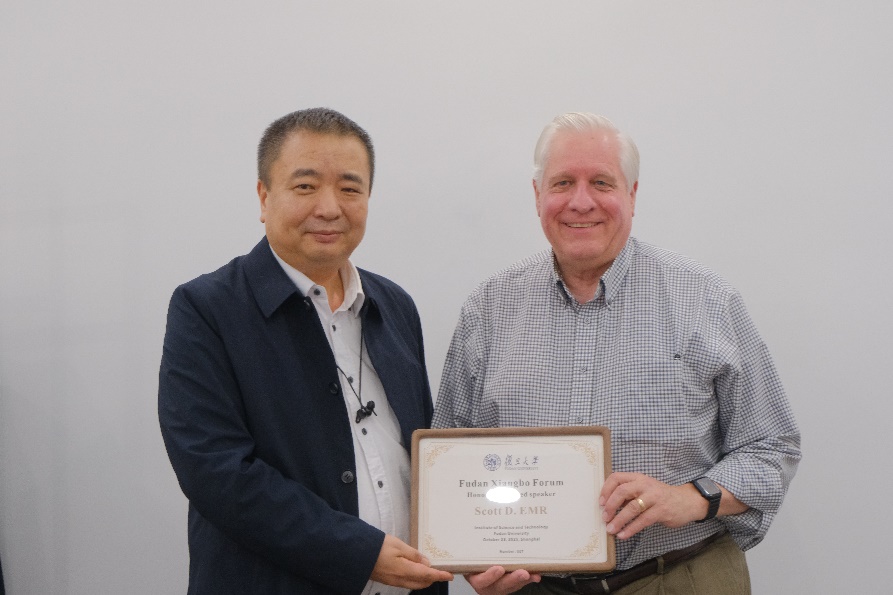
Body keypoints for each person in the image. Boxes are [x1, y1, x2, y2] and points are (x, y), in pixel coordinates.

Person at [432, 112, 800, 595]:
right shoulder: (489, 308)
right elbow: (449, 460)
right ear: (538, 195)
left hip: (677, 578)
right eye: (563, 182)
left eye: (601, 182)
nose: (581, 202)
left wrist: (692, 497)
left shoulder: (707, 301)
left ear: (632, 194)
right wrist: (471, 555)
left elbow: (772, 448)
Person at [159, 108, 453, 595]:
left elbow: (423, 453)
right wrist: (359, 554)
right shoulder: (206, 309)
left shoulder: (394, 305)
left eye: (350, 189)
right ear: (263, 196)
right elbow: (217, 473)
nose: (330, 207)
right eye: (306, 186)